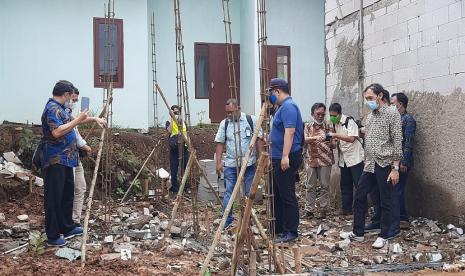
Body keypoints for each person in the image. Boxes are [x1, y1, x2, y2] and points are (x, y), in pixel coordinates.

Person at [340, 83, 402, 249]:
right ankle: (358, 232)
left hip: (385, 164)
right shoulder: (370, 116)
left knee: (385, 199)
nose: (368, 102)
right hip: (369, 164)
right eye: (366, 99)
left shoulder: (392, 113)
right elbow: (370, 135)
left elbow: (397, 140)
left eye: (370, 98)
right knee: (360, 196)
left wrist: (395, 168)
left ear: (380, 96)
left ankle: (384, 234)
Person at [39, 81, 91, 246]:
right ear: (66, 94)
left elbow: (73, 121)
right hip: (55, 159)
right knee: (54, 198)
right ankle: (53, 236)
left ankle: (66, 226)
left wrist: (93, 118)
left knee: (66, 194)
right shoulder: (52, 109)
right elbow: (57, 131)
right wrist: (77, 121)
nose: (72, 100)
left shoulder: (60, 109)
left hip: (67, 159)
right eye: (71, 96)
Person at [214, 98, 263, 228]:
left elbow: (259, 138)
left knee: (249, 193)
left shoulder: (250, 120)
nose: (229, 115)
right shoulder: (224, 124)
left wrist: (261, 157)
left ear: (238, 108)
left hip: (249, 164)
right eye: (227, 113)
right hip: (230, 164)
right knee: (229, 192)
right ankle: (226, 220)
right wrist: (218, 162)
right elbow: (220, 143)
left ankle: (248, 219)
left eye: (231, 112)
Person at [269, 78, 304, 243]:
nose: (270, 95)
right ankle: (280, 228)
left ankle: (291, 231)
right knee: (278, 193)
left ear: (277, 91)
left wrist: (285, 156)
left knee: (287, 194)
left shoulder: (289, 107)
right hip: (277, 156)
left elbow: (289, 132)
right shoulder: (281, 108)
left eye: (271, 92)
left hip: (286, 157)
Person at [64, 88, 105, 225]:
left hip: (75, 157)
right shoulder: (58, 112)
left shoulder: (68, 112)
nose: (74, 103)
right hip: (66, 158)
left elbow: (76, 125)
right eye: (73, 99)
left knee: (80, 188)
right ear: (66, 96)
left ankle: (75, 220)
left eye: (76, 100)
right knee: (69, 190)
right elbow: (69, 132)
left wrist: (94, 118)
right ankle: (66, 221)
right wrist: (83, 145)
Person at [328, 103, 364, 217]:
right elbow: (337, 142)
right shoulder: (335, 125)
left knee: (359, 185)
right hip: (344, 160)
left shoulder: (349, 121)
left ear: (339, 114)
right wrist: (331, 142)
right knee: (345, 185)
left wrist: (335, 135)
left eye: (334, 115)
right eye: (330, 115)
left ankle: (361, 210)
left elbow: (352, 138)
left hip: (355, 158)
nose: (332, 117)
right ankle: (346, 209)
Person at [303, 103, 334, 219]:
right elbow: (304, 140)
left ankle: (323, 209)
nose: (320, 116)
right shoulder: (307, 126)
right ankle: (309, 210)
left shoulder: (329, 126)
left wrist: (331, 142)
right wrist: (317, 138)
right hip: (311, 160)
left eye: (322, 114)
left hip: (325, 161)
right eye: (318, 114)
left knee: (324, 186)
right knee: (310, 186)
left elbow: (334, 144)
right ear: (312, 114)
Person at [390, 92, 416, 229]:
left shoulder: (408, 119)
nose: (390, 105)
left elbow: (409, 143)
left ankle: (403, 219)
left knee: (398, 189)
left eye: (392, 103)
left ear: (400, 104)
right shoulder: (394, 119)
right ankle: (396, 217)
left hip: (402, 162)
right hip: (393, 160)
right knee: (393, 189)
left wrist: (404, 162)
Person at [165, 105, 189, 193]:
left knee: (184, 168)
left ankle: (184, 187)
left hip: (184, 148)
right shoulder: (169, 122)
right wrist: (172, 118)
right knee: (174, 168)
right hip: (174, 148)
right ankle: (174, 188)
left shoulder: (183, 122)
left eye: (177, 113)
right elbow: (169, 131)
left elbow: (187, 134)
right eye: (174, 113)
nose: (176, 114)